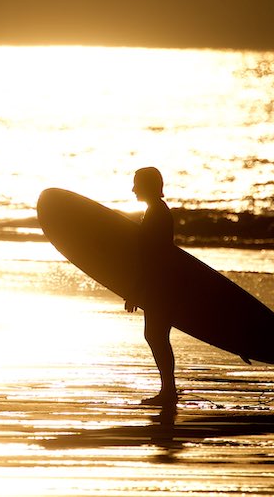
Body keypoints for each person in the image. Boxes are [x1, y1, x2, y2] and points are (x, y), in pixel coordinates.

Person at [124, 166, 178, 406]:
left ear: (148, 185)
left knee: (156, 335)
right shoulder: (156, 211)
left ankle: (169, 391)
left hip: (161, 284)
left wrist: (136, 290)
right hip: (162, 282)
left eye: (137, 183)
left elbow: (153, 257)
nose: (133, 188)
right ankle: (168, 390)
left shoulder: (157, 214)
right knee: (157, 335)